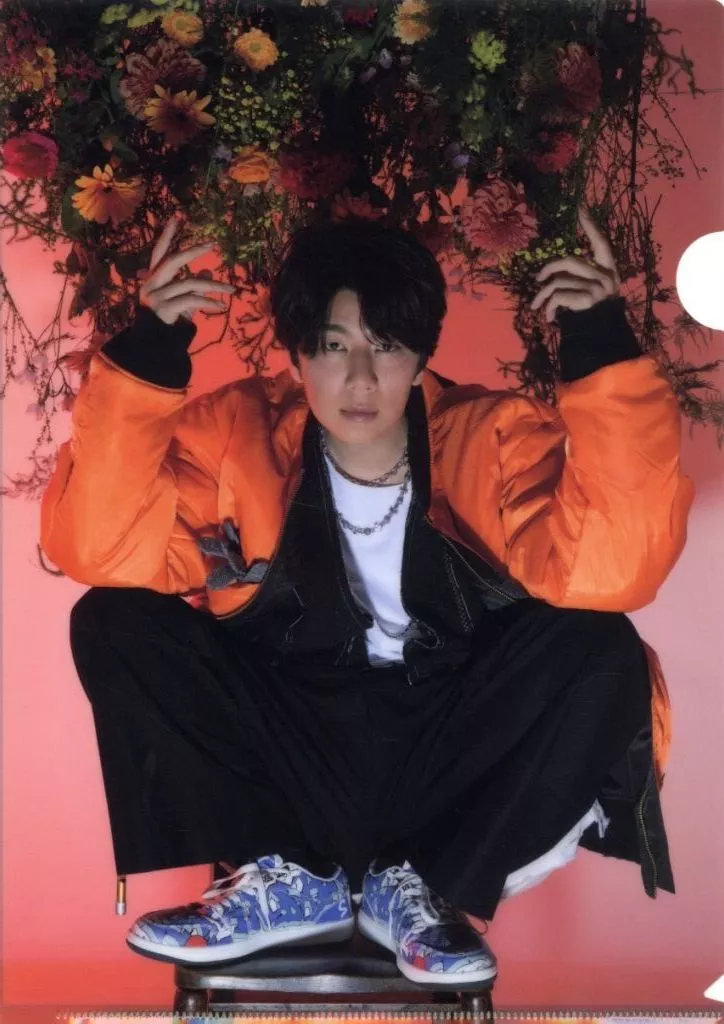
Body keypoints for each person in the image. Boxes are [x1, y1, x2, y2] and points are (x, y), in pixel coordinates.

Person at [40, 208, 694, 985]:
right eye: (333, 346)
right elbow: (99, 549)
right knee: (114, 618)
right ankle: (287, 877)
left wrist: (600, 347)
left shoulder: (490, 437)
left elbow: (615, 570)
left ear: (421, 358)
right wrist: (149, 352)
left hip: (444, 762)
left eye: (385, 347)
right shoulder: (235, 435)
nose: (359, 380)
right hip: (288, 760)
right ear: (297, 356)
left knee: (599, 645)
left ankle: (424, 890)